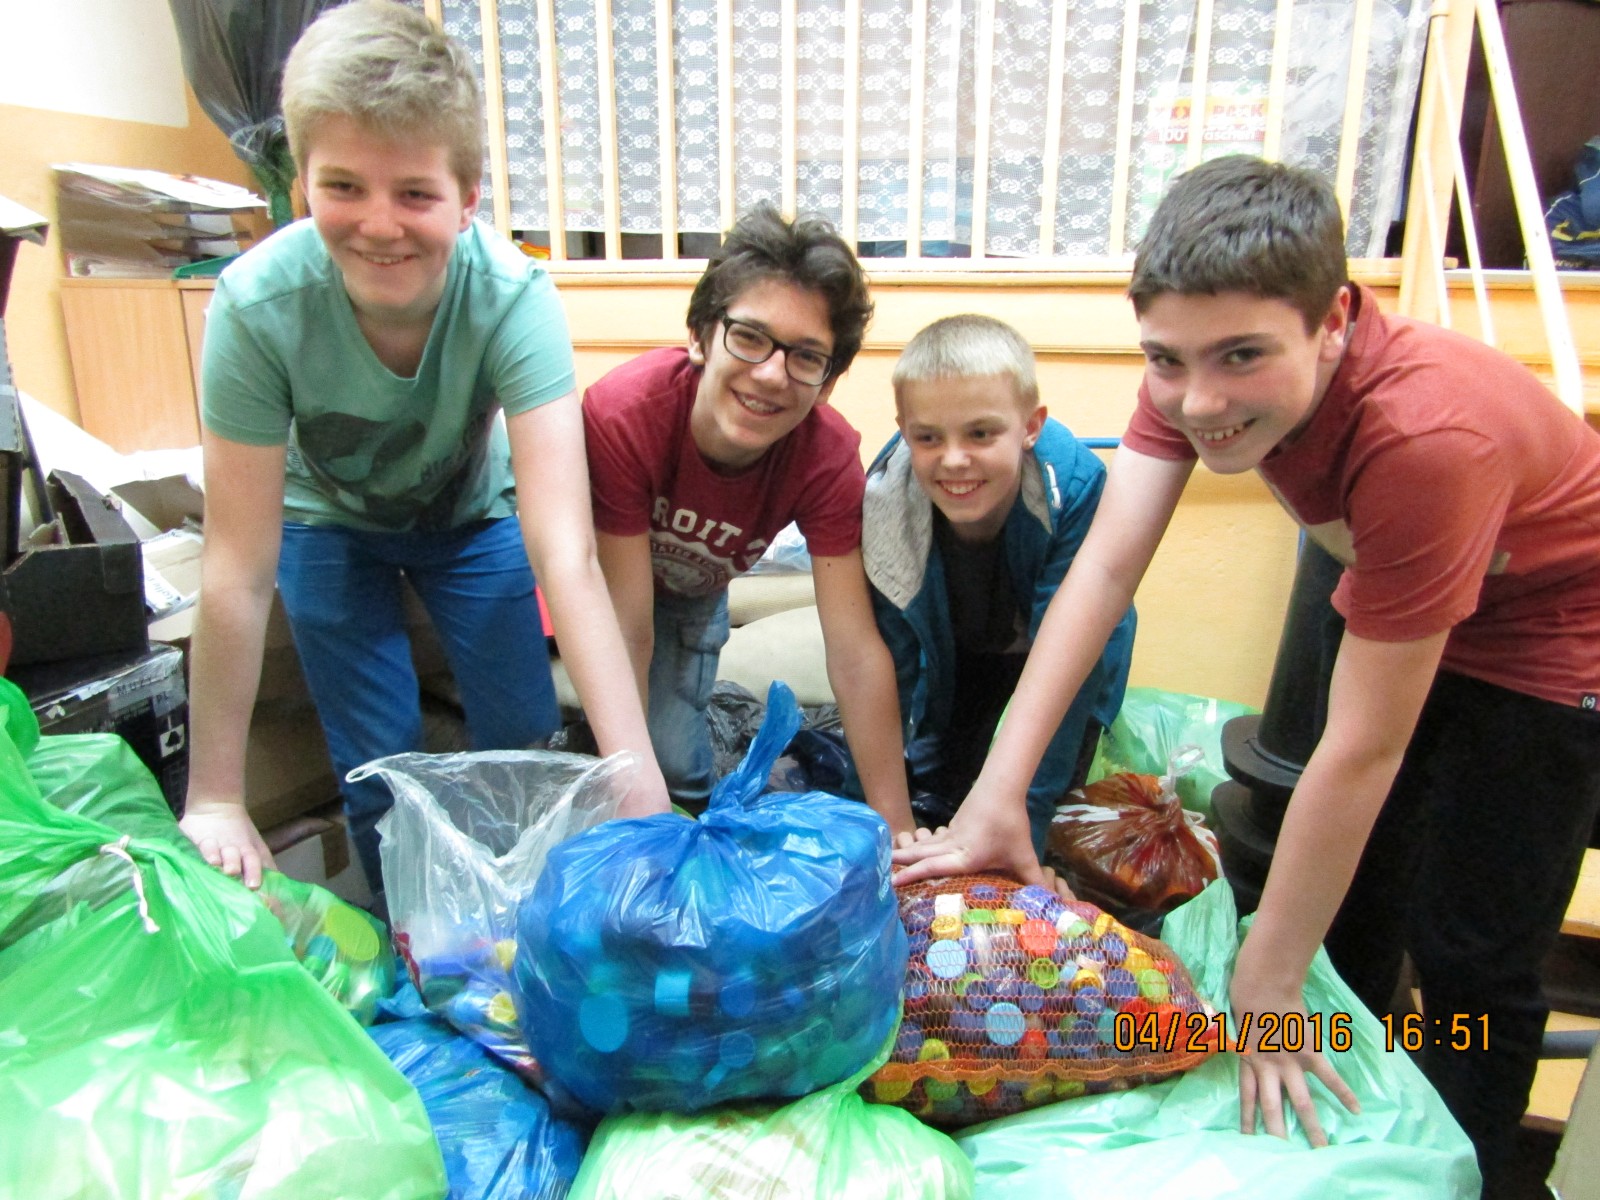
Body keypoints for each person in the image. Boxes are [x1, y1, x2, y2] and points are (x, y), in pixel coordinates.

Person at [892, 155, 1600, 1190]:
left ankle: (1476, 1170)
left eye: (1241, 356)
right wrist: (997, 793)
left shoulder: (1425, 439)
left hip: (1551, 640)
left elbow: (1360, 751)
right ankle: (1351, 1110)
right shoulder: (1189, 376)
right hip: (1404, 588)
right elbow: (1103, 573)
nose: (1199, 399)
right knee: (1346, 910)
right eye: (1167, 360)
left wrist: (1263, 984)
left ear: (1334, 320)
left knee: (1471, 952)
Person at [179, 0, 667, 897]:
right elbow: (237, 567)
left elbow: (565, 553)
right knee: (379, 763)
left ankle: (535, 926)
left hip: (468, 513)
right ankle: (412, 938)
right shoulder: (254, 306)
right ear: (302, 185)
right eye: (344, 187)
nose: (379, 224)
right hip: (325, 521)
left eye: (414, 193)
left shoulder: (513, 297)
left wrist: (635, 773)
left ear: (467, 198)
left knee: (525, 740)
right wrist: (215, 796)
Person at [583, 203, 912, 829]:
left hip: (693, 596)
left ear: (827, 382)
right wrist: (624, 796)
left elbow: (854, 650)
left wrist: (896, 830)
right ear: (701, 336)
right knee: (624, 773)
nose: (770, 374)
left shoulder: (825, 457)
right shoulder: (626, 415)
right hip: (605, 587)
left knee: (679, 773)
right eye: (750, 337)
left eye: (806, 357)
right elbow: (627, 628)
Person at [862, 314, 1134, 860]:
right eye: (928, 437)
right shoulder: (887, 502)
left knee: (1038, 813)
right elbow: (890, 665)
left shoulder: (1075, 487)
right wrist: (884, 825)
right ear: (904, 430)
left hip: (1059, 659)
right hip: (960, 655)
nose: (954, 459)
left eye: (981, 433)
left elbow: (1073, 665)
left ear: (1031, 426)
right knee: (944, 786)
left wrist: (1024, 825)